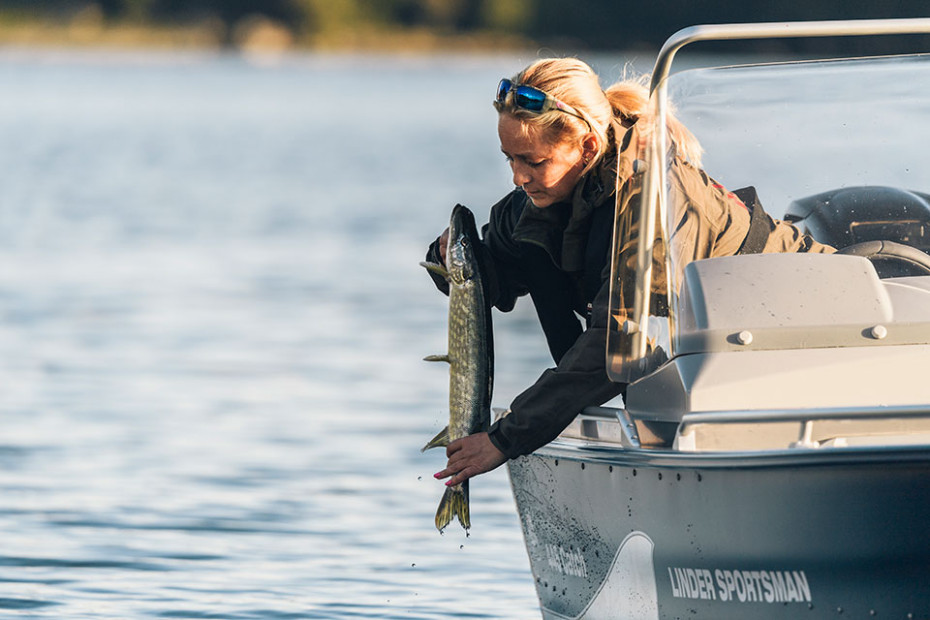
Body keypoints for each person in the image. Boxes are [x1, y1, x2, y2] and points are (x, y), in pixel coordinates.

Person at [426, 58, 833, 489]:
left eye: (532, 161)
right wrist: (448, 259)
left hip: (809, 315)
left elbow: (623, 339)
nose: (518, 176)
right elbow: (492, 273)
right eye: (509, 158)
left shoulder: (654, 196)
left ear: (585, 148)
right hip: (723, 348)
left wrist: (506, 439)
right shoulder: (538, 198)